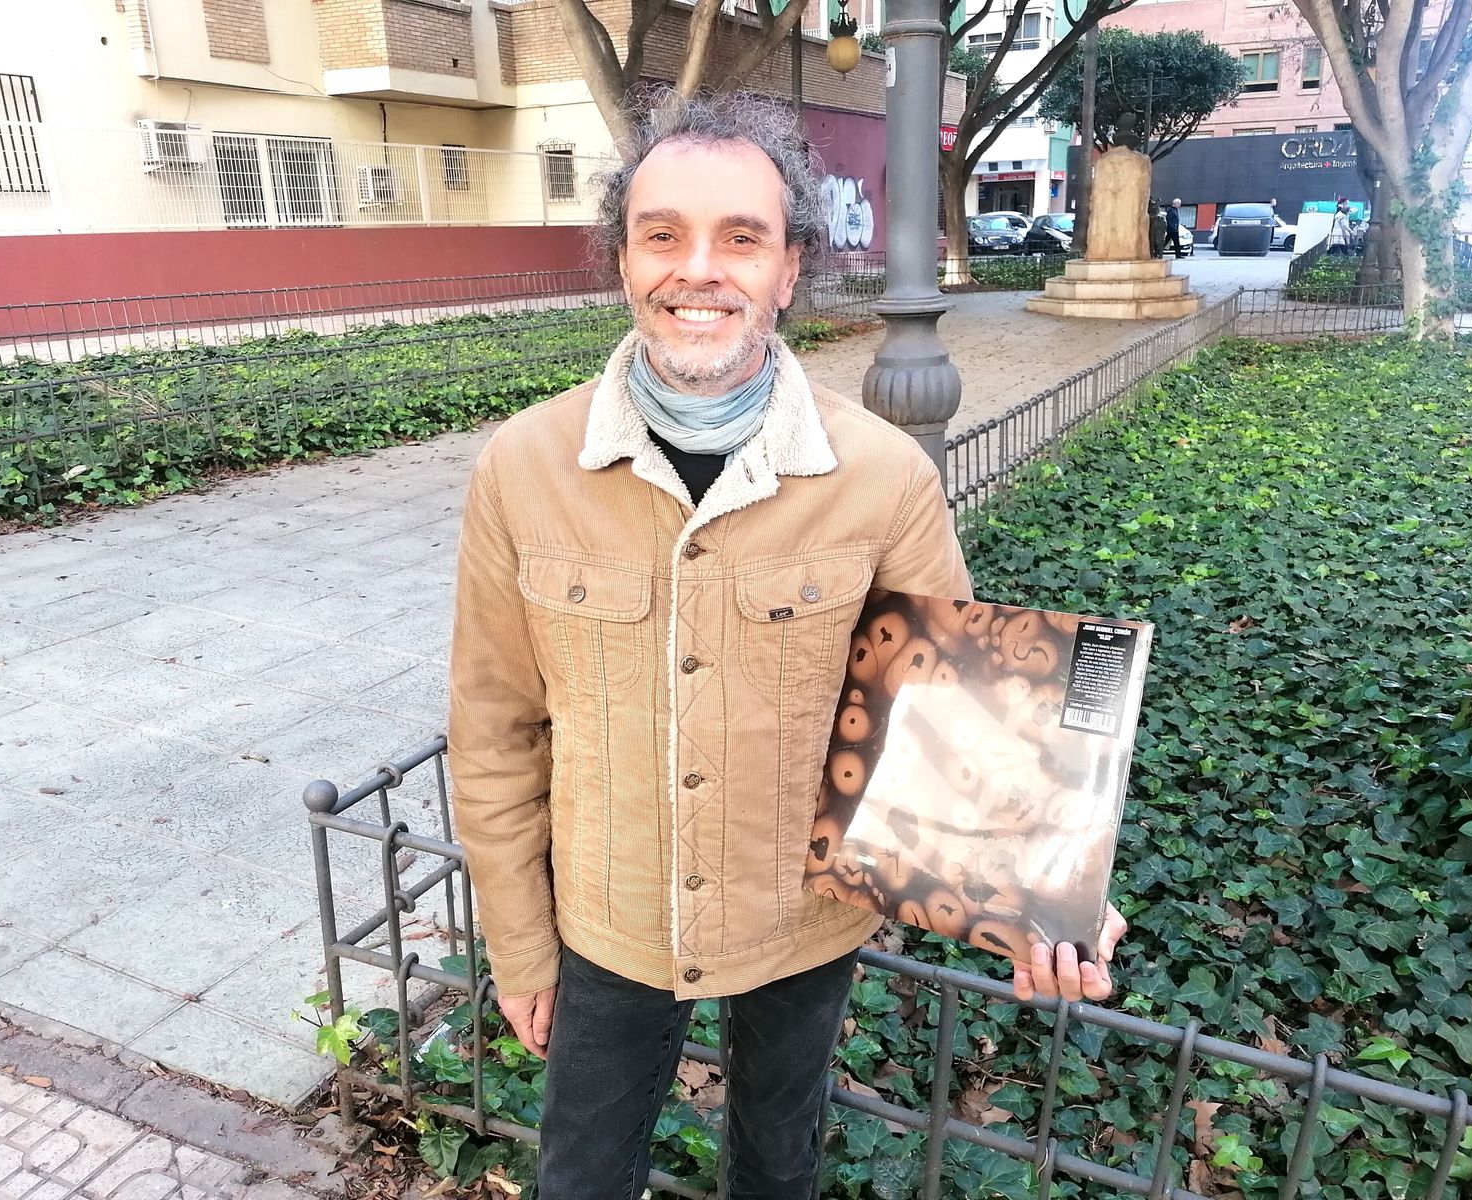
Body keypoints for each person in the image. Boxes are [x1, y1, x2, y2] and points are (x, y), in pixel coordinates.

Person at [448, 93, 1129, 1199]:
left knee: (779, 1166)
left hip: (800, 923)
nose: (697, 269)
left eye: (741, 238)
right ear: (621, 258)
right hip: (609, 920)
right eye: (662, 234)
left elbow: (952, 715)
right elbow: (492, 728)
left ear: (789, 266)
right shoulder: (522, 468)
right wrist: (521, 944)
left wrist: (1046, 894)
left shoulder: (880, 474)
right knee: (578, 1176)